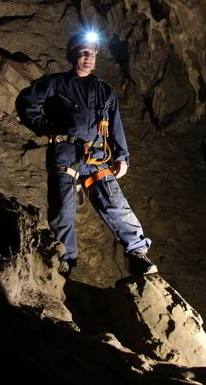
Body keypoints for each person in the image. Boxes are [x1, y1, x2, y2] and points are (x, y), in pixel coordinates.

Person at [15, 31, 156, 277]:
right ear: (74, 55)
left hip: (97, 157)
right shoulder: (56, 82)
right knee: (63, 210)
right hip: (66, 154)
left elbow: (115, 125)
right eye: (83, 52)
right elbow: (26, 101)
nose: (88, 57)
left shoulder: (105, 91)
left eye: (91, 53)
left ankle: (137, 254)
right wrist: (44, 128)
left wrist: (122, 157)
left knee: (115, 205)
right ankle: (64, 262)